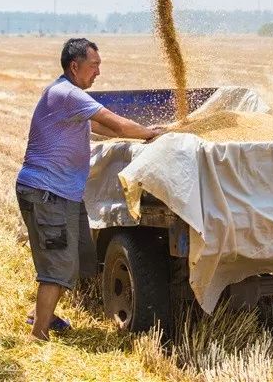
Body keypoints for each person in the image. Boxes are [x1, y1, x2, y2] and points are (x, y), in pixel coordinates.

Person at [16, 38, 163, 341]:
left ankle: (41, 314)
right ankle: (38, 333)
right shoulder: (68, 95)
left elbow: (102, 129)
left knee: (67, 258)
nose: (98, 72)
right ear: (75, 65)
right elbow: (116, 124)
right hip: (48, 192)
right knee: (56, 261)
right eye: (94, 65)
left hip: (61, 192)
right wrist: (150, 133)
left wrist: (142, 136)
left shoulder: (67, 97)